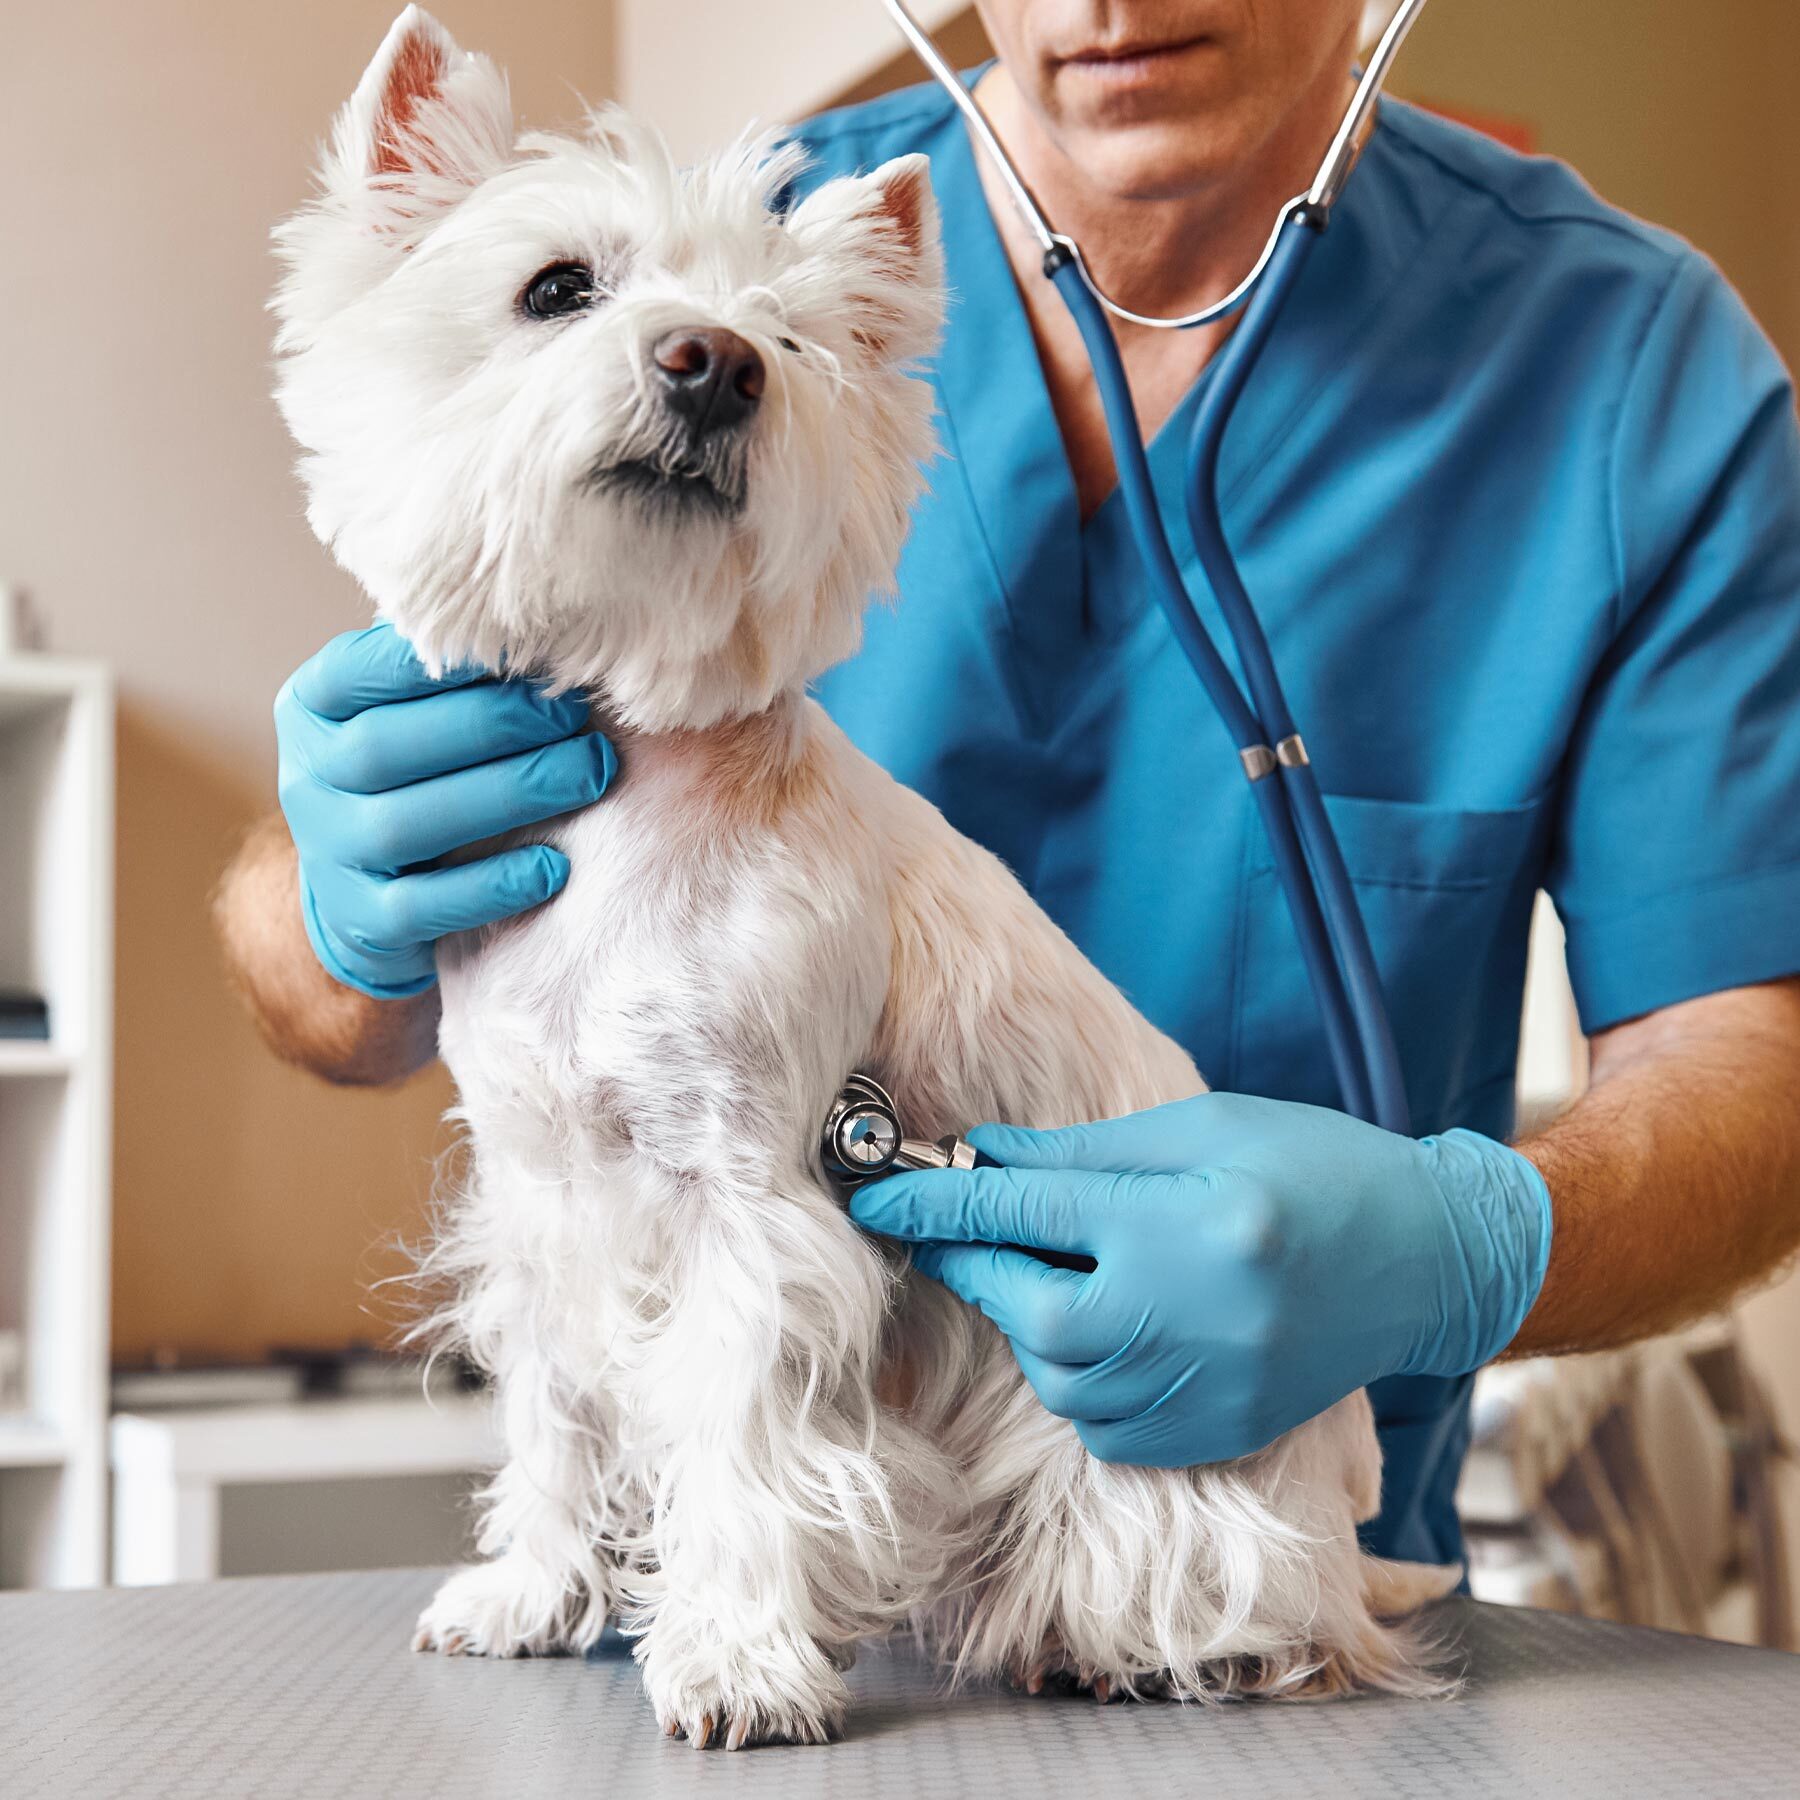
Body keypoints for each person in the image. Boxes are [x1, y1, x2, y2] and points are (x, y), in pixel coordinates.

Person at [217, 0, 1800, 1569]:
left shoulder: (1630, 372)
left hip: (1216, 1557)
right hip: (730, 1602)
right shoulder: (710, 268)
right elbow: (332, 974)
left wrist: (1461, 1250)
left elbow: (1750, 1058)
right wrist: (327, 901)